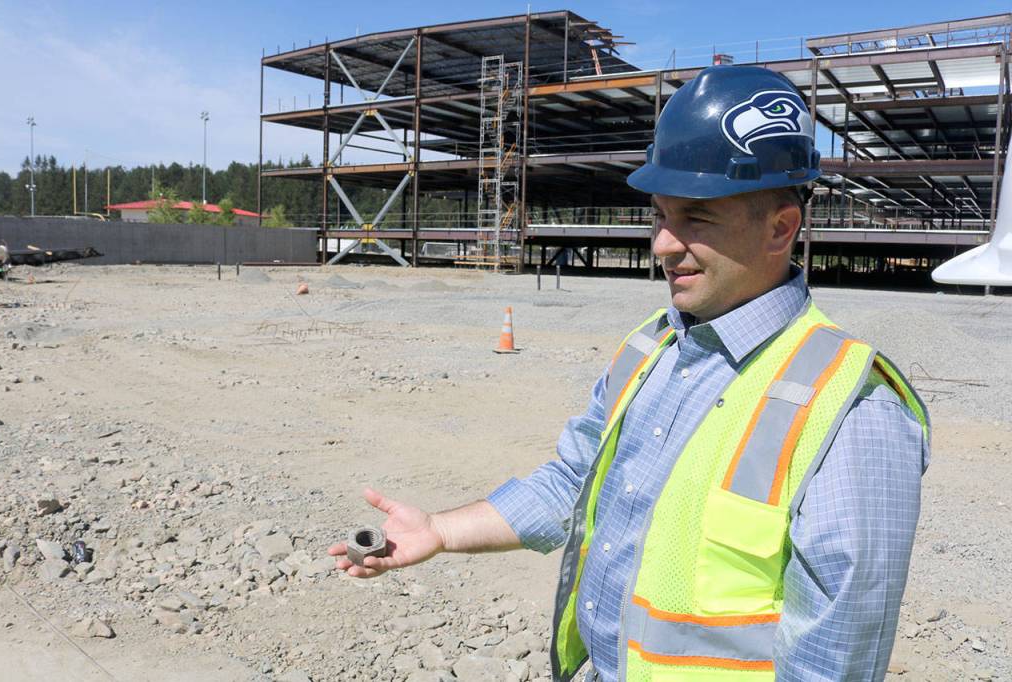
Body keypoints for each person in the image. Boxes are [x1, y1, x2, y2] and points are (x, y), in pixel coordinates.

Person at [329, 65, 930, 682]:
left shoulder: (853, 410)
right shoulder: (655, 346)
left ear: (781, 227)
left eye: (697, 218)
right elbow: (573, 482)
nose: (663, 245)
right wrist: (439, 530)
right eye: (660, 215)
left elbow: (836, 663)